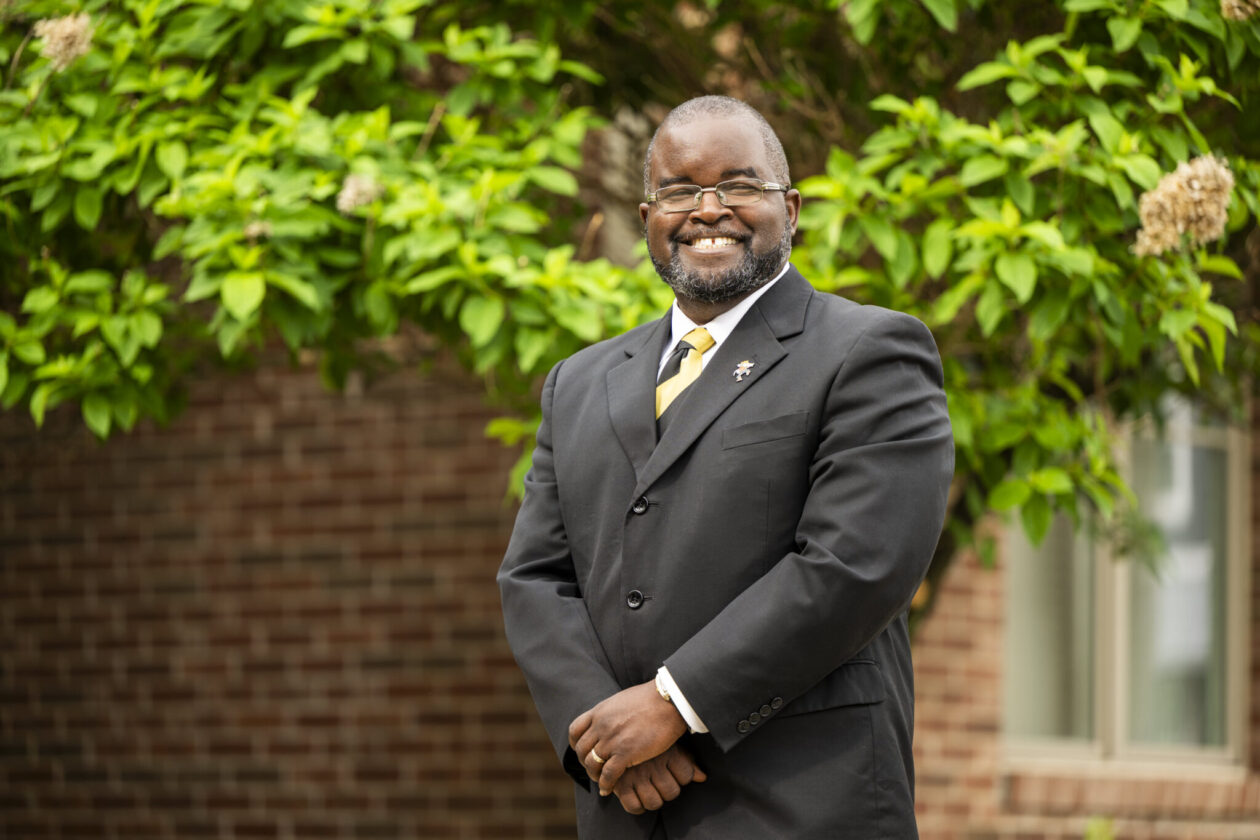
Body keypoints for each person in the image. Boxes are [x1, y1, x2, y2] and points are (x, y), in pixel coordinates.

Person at [498, 95, 954, 839]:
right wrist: (609, 737)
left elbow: (853, 566)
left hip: (803, 805)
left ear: (792, 208)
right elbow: (535, 579)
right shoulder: (577, 384)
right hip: (629, 808)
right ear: (648, 215)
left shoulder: (869, 353)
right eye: (679, 191)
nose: (708, 210)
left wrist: (672, 705)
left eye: (740, 186)